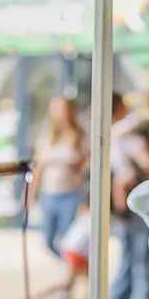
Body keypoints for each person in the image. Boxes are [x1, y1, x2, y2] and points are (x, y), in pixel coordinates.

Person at [106, 93, 149, 299]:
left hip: (122, 212)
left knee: (127, 268)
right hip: (141, 207)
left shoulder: (106, 136)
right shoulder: (129, 134)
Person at [29, 95, 88, 270]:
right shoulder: (47, 137)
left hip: (71, 193)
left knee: (66, 239)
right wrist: (30, 195)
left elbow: (84, 166)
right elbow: (38, 168)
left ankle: (69, 277)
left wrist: (74, 163)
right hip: (49, 193)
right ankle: (74, 270)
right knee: (48, 240)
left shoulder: (80, 136)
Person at [28, 193, 90, 299]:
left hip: (75, 248)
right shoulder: (93, 216)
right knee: (72, 284)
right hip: (78, 251)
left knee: (82, 286)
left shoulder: (84, 212)